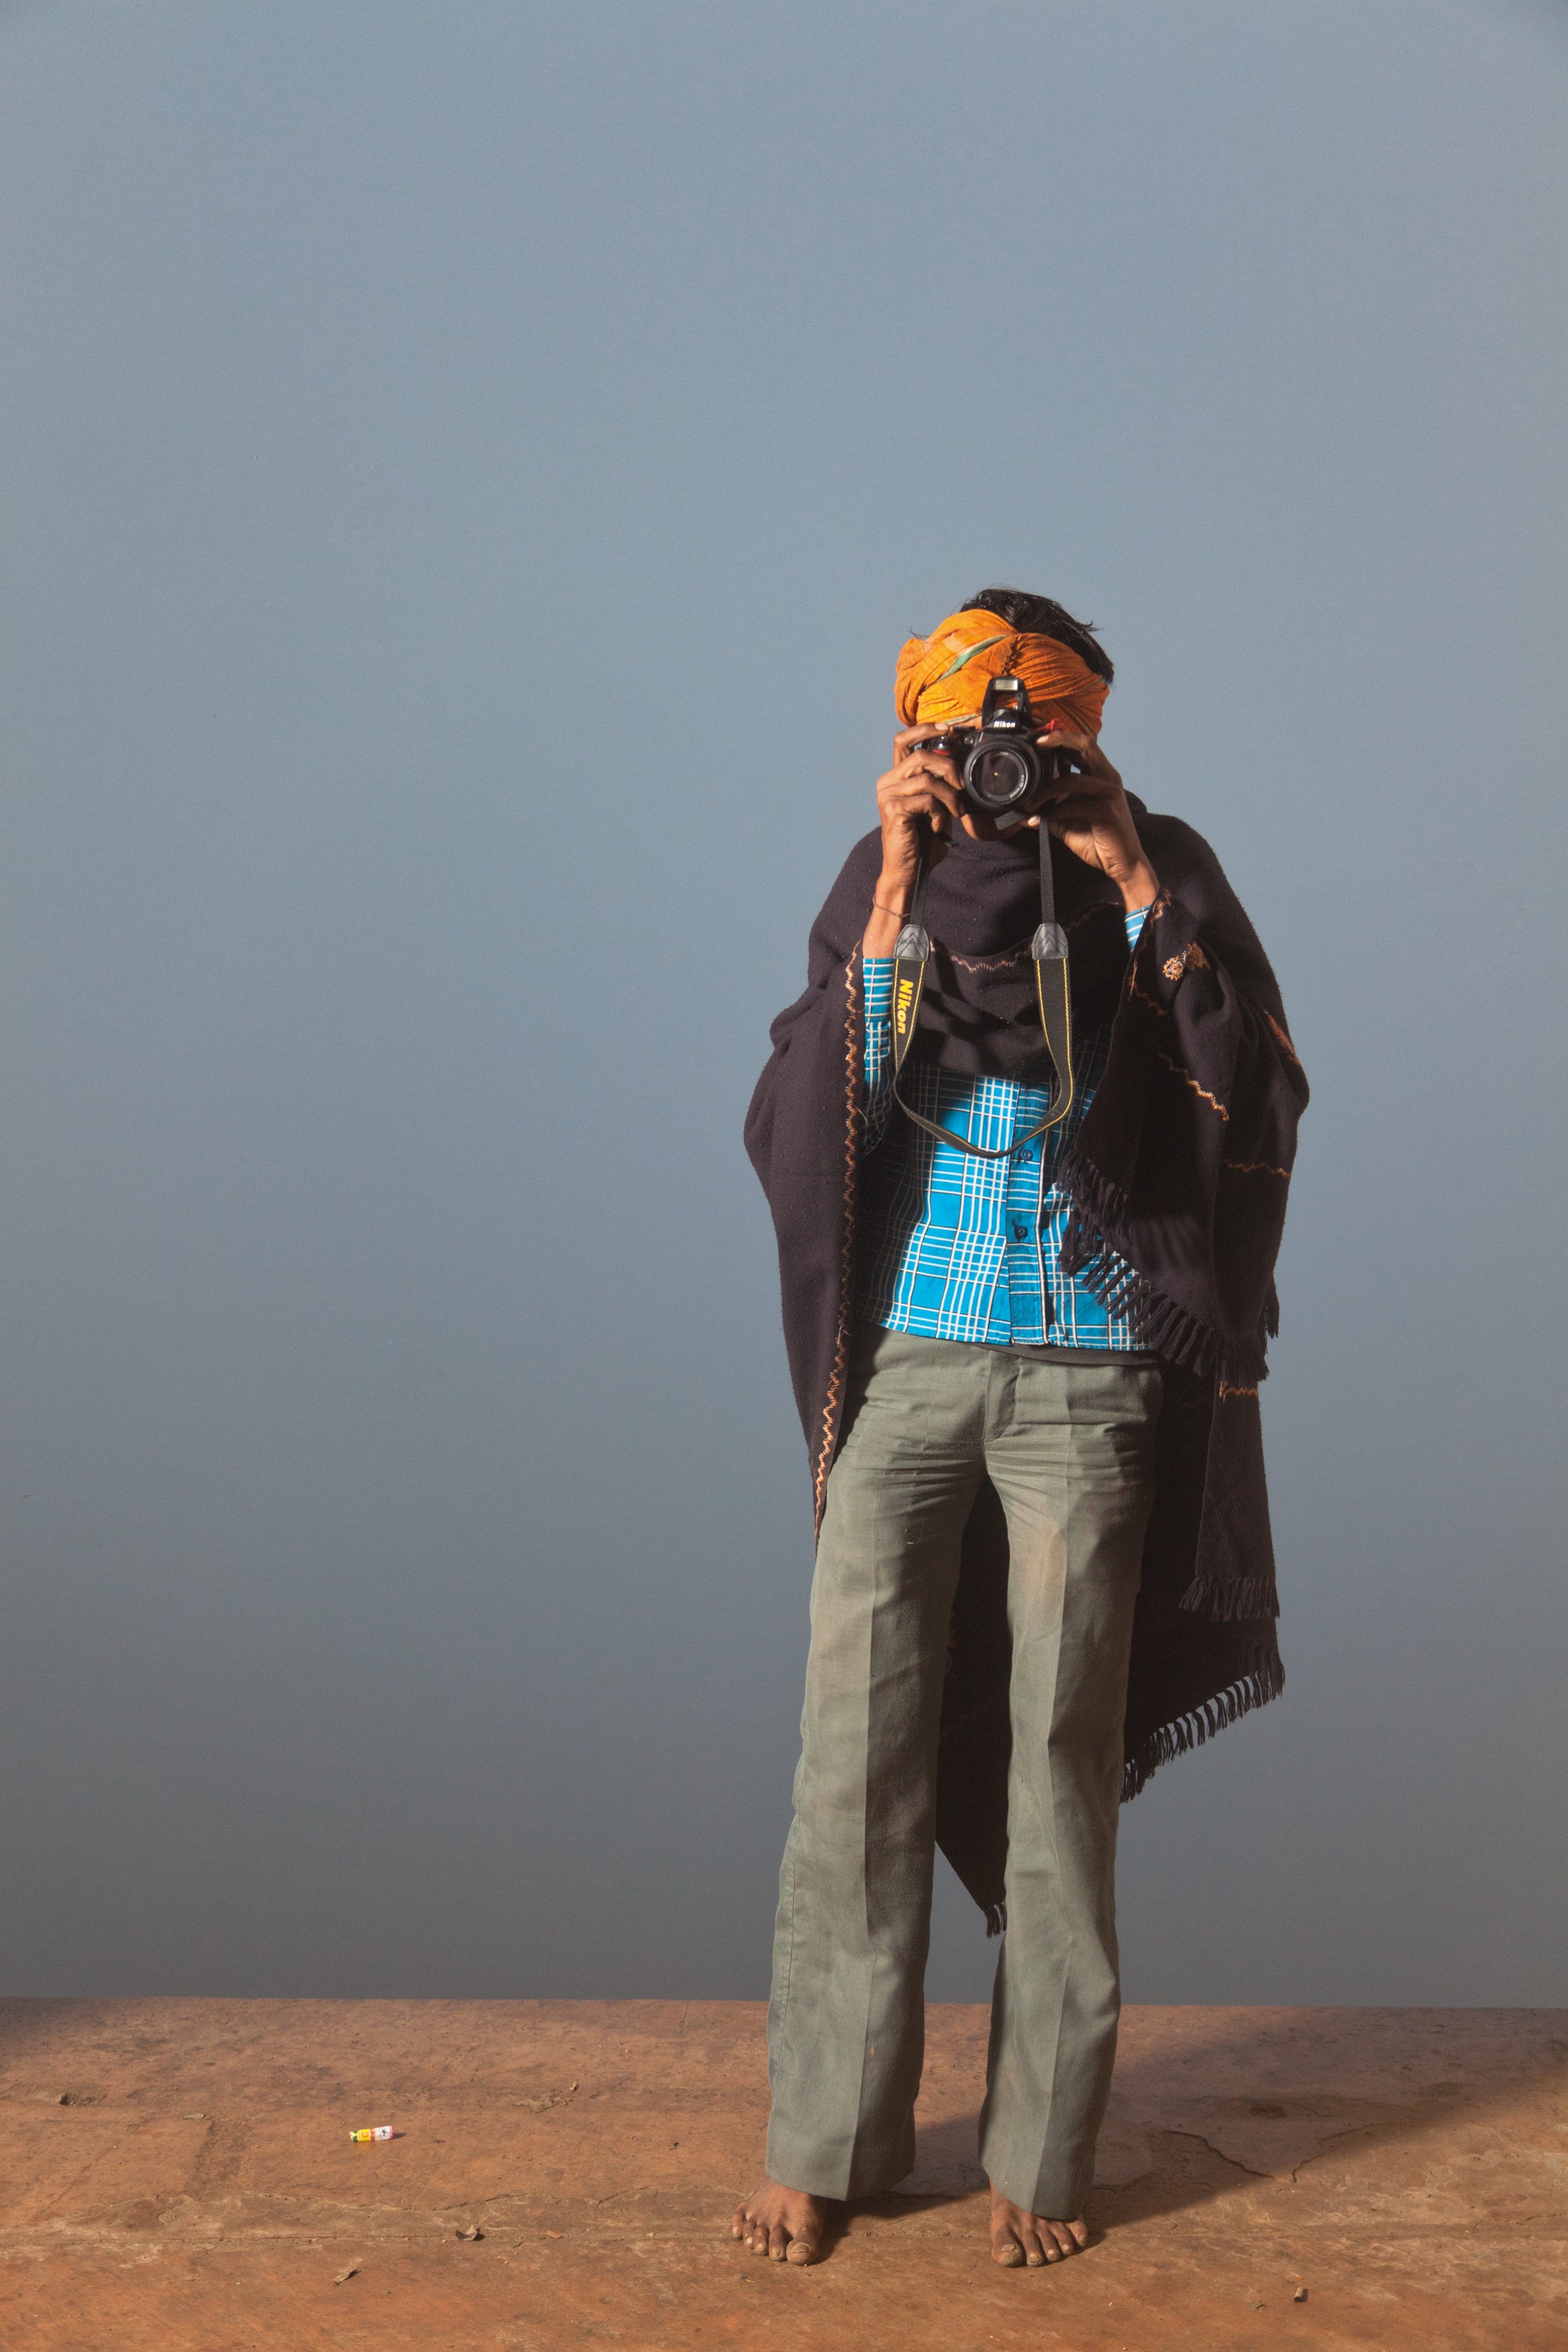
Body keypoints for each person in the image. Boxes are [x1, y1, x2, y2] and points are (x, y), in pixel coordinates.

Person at [735, 590, 1308, 2270]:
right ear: (923, 735)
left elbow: (1253, 1088)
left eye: (1034, 730)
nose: (1006, 763)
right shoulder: (881, 873)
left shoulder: (1157, 865)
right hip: (914, 1357)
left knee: (1061, 1760)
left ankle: (1044, 2152)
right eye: (972, 733)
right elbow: (793, 1111)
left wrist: (1133, 878)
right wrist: (900, 896)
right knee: (852, 1752)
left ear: (1082, 729)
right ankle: (823, 2137)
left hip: (1087, 1369)